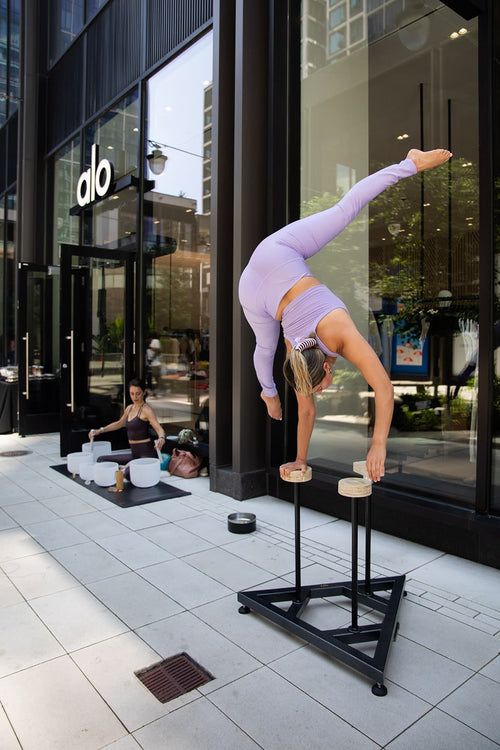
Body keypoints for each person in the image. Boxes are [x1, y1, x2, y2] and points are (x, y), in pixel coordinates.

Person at [239, 148, 452, 483]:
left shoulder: (339, 334)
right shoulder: (299, 360)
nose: (320, 390)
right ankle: (268, 395)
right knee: (265, 348)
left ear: (326, 366)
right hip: (261, 278)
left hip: (273, 264)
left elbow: (383, 386)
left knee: (265, 348)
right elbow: (307, 410)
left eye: (320, 385)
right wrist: (299, 459)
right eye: (319, 388)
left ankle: (410, 163)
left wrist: (378, 444)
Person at [88, 377, 166, 474]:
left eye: (138, 393)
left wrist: (161, 438)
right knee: (101, 460)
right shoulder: (129, 408)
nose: (134, 397)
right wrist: (100, 430)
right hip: (135, 454)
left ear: (144, 392)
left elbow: (159, 428)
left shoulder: (146, 410)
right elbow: (119, 424)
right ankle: (126, 467)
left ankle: (126, 469)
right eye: (132, 393)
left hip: (147, 454)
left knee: (128, 473)